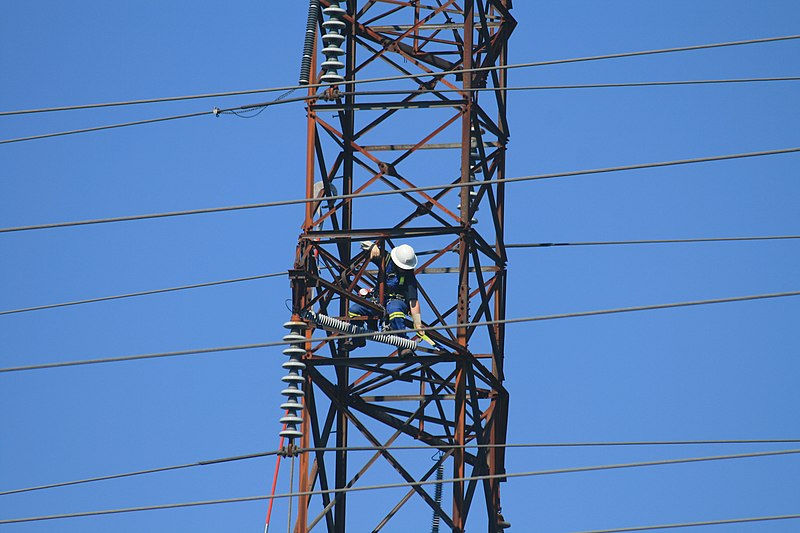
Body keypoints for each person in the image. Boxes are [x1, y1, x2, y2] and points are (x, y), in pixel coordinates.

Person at [346, 241, 422, 356]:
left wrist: (418, 323)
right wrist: (372, 247)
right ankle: (358, 338)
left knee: (395, 311)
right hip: (377, 300)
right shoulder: (386, 259)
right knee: (355, 310)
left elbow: (413, 301)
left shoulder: (409, 276)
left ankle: (403, 345)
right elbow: (363, 244)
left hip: (397, 301)